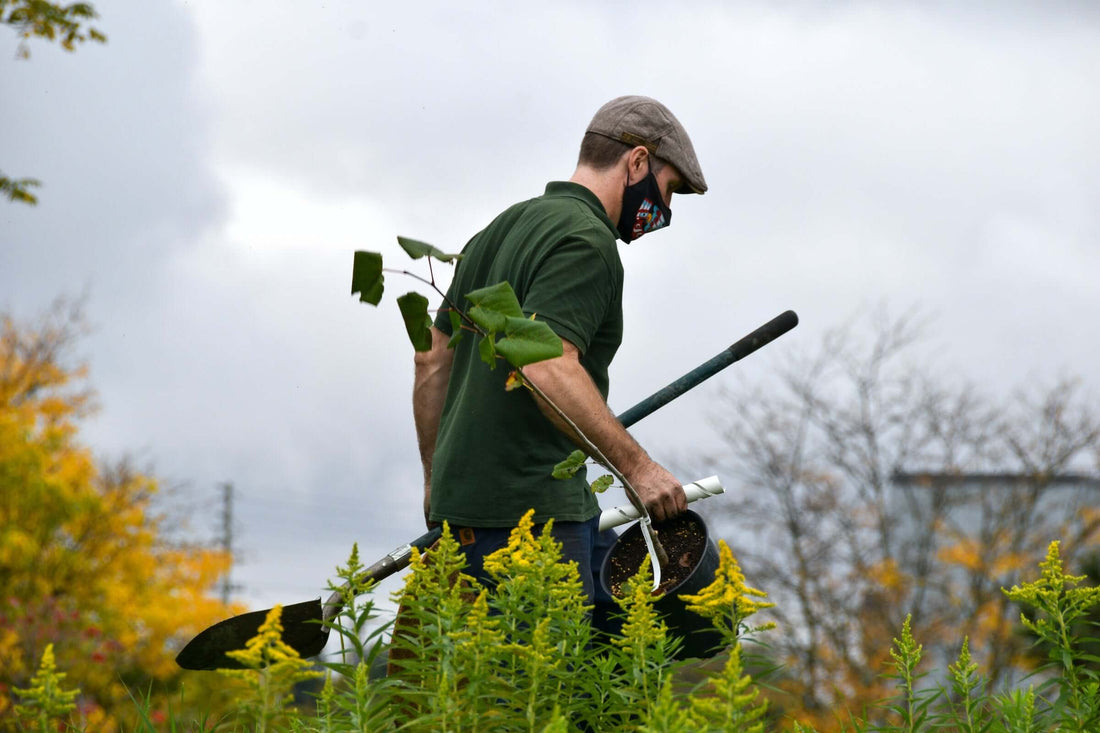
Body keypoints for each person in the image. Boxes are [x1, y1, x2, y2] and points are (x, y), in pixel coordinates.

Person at [412, 95, 707, 616]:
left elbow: (432, 359)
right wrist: (639, 470)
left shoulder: (499, 230)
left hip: (459, 523)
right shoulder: (586, 240)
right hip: (536, 525)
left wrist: (439, 482)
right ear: (637, 162)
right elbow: (547, 365)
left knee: (471, 693)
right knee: (540, 694)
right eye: (669, 191)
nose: (663, 212)